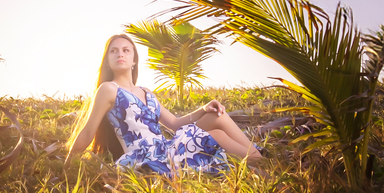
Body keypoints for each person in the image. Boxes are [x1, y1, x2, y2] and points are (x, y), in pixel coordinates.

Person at [66, 33, 260, 175]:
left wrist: (203, 109)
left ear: (134, 60)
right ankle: (261, 164)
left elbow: (175, 124)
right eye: (114, 51)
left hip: (165, 147)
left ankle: (258, 159)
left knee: (217, 115)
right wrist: (67, 165)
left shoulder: (147, 92)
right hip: (147, 156)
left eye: (126, 50)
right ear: (107, 61)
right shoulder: (109, 89)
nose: (120, 54)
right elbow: (88, 131)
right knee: (216, 135)